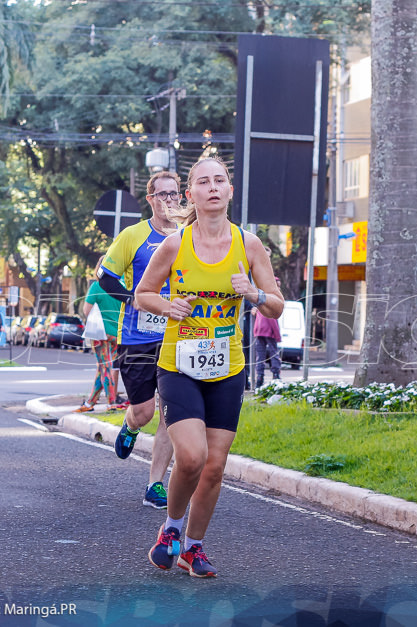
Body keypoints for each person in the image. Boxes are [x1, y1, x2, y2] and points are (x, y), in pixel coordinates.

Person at [138, 156, 283, 578]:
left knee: (215, 466)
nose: (213, 187)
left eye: (221, 180)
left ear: (230, 191)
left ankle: (193, 548)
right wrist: (169, 306)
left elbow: (276, 305)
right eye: (204, 182)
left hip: (227, 367)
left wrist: (253, 293)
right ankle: (171, 530)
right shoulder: (175, 244)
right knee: (191, 457)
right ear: (191, 194)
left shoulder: (249, 245)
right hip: (179, 364)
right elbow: (143, 294)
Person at [100, 170, 182, 510]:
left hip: (179, 335)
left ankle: (155, 484)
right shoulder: (133, 235)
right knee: (145, 411)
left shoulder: (189, 236)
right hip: (137, 336)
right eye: (161, 194)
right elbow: (105, 278)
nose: (169, 201)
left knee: (170, 412)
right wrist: (135, 298)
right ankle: (130, 426)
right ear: (150, 199)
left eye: (174, 194)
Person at [75, 258, 123, 411]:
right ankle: (90, 403)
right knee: (103, 368)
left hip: (100, 334)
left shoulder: (97, 287)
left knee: (105, 368)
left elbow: (86, 311)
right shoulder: (121, 286)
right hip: (117, 334)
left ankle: (111, 403)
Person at [252, 277, 283, 385]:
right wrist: (278, 335)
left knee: (260, 355)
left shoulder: (262, 297)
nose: (279, 288)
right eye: (277, 286)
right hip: (269, 331)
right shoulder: (272, 300)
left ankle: (259, 378)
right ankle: (276, 376)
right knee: (274, 353)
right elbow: (272, 321)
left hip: (259, 331)